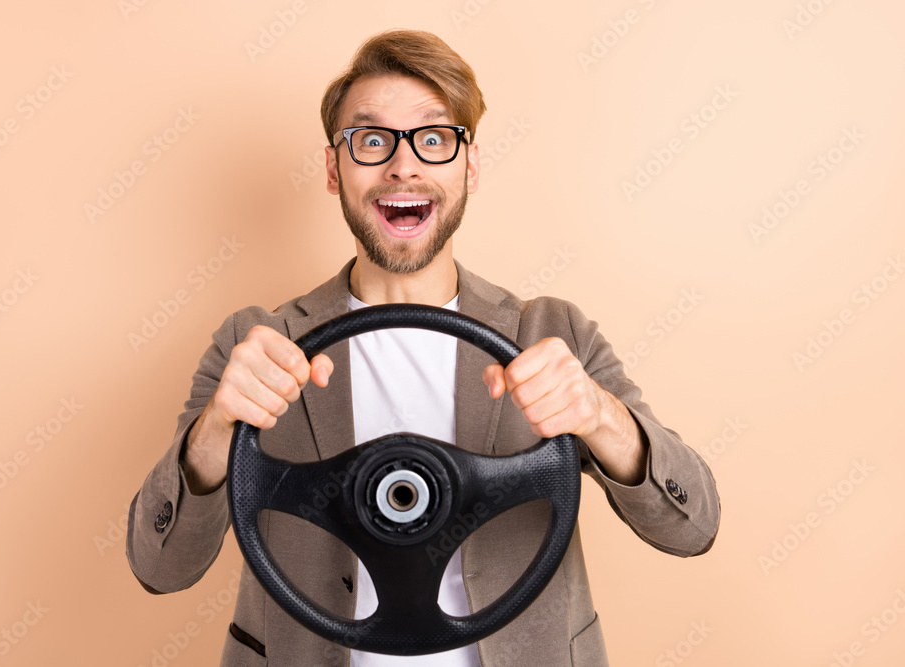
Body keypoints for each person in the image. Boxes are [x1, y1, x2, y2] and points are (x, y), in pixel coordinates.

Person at [127, 29, 720, 667]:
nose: (403, 166)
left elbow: (692, 526)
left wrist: (602, 417)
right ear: (334, 169)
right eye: (371, 140)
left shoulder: (552, 334)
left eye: (434, 140)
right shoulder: (257, 345)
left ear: (469, 166)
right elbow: (160, 566)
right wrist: (216, 429)